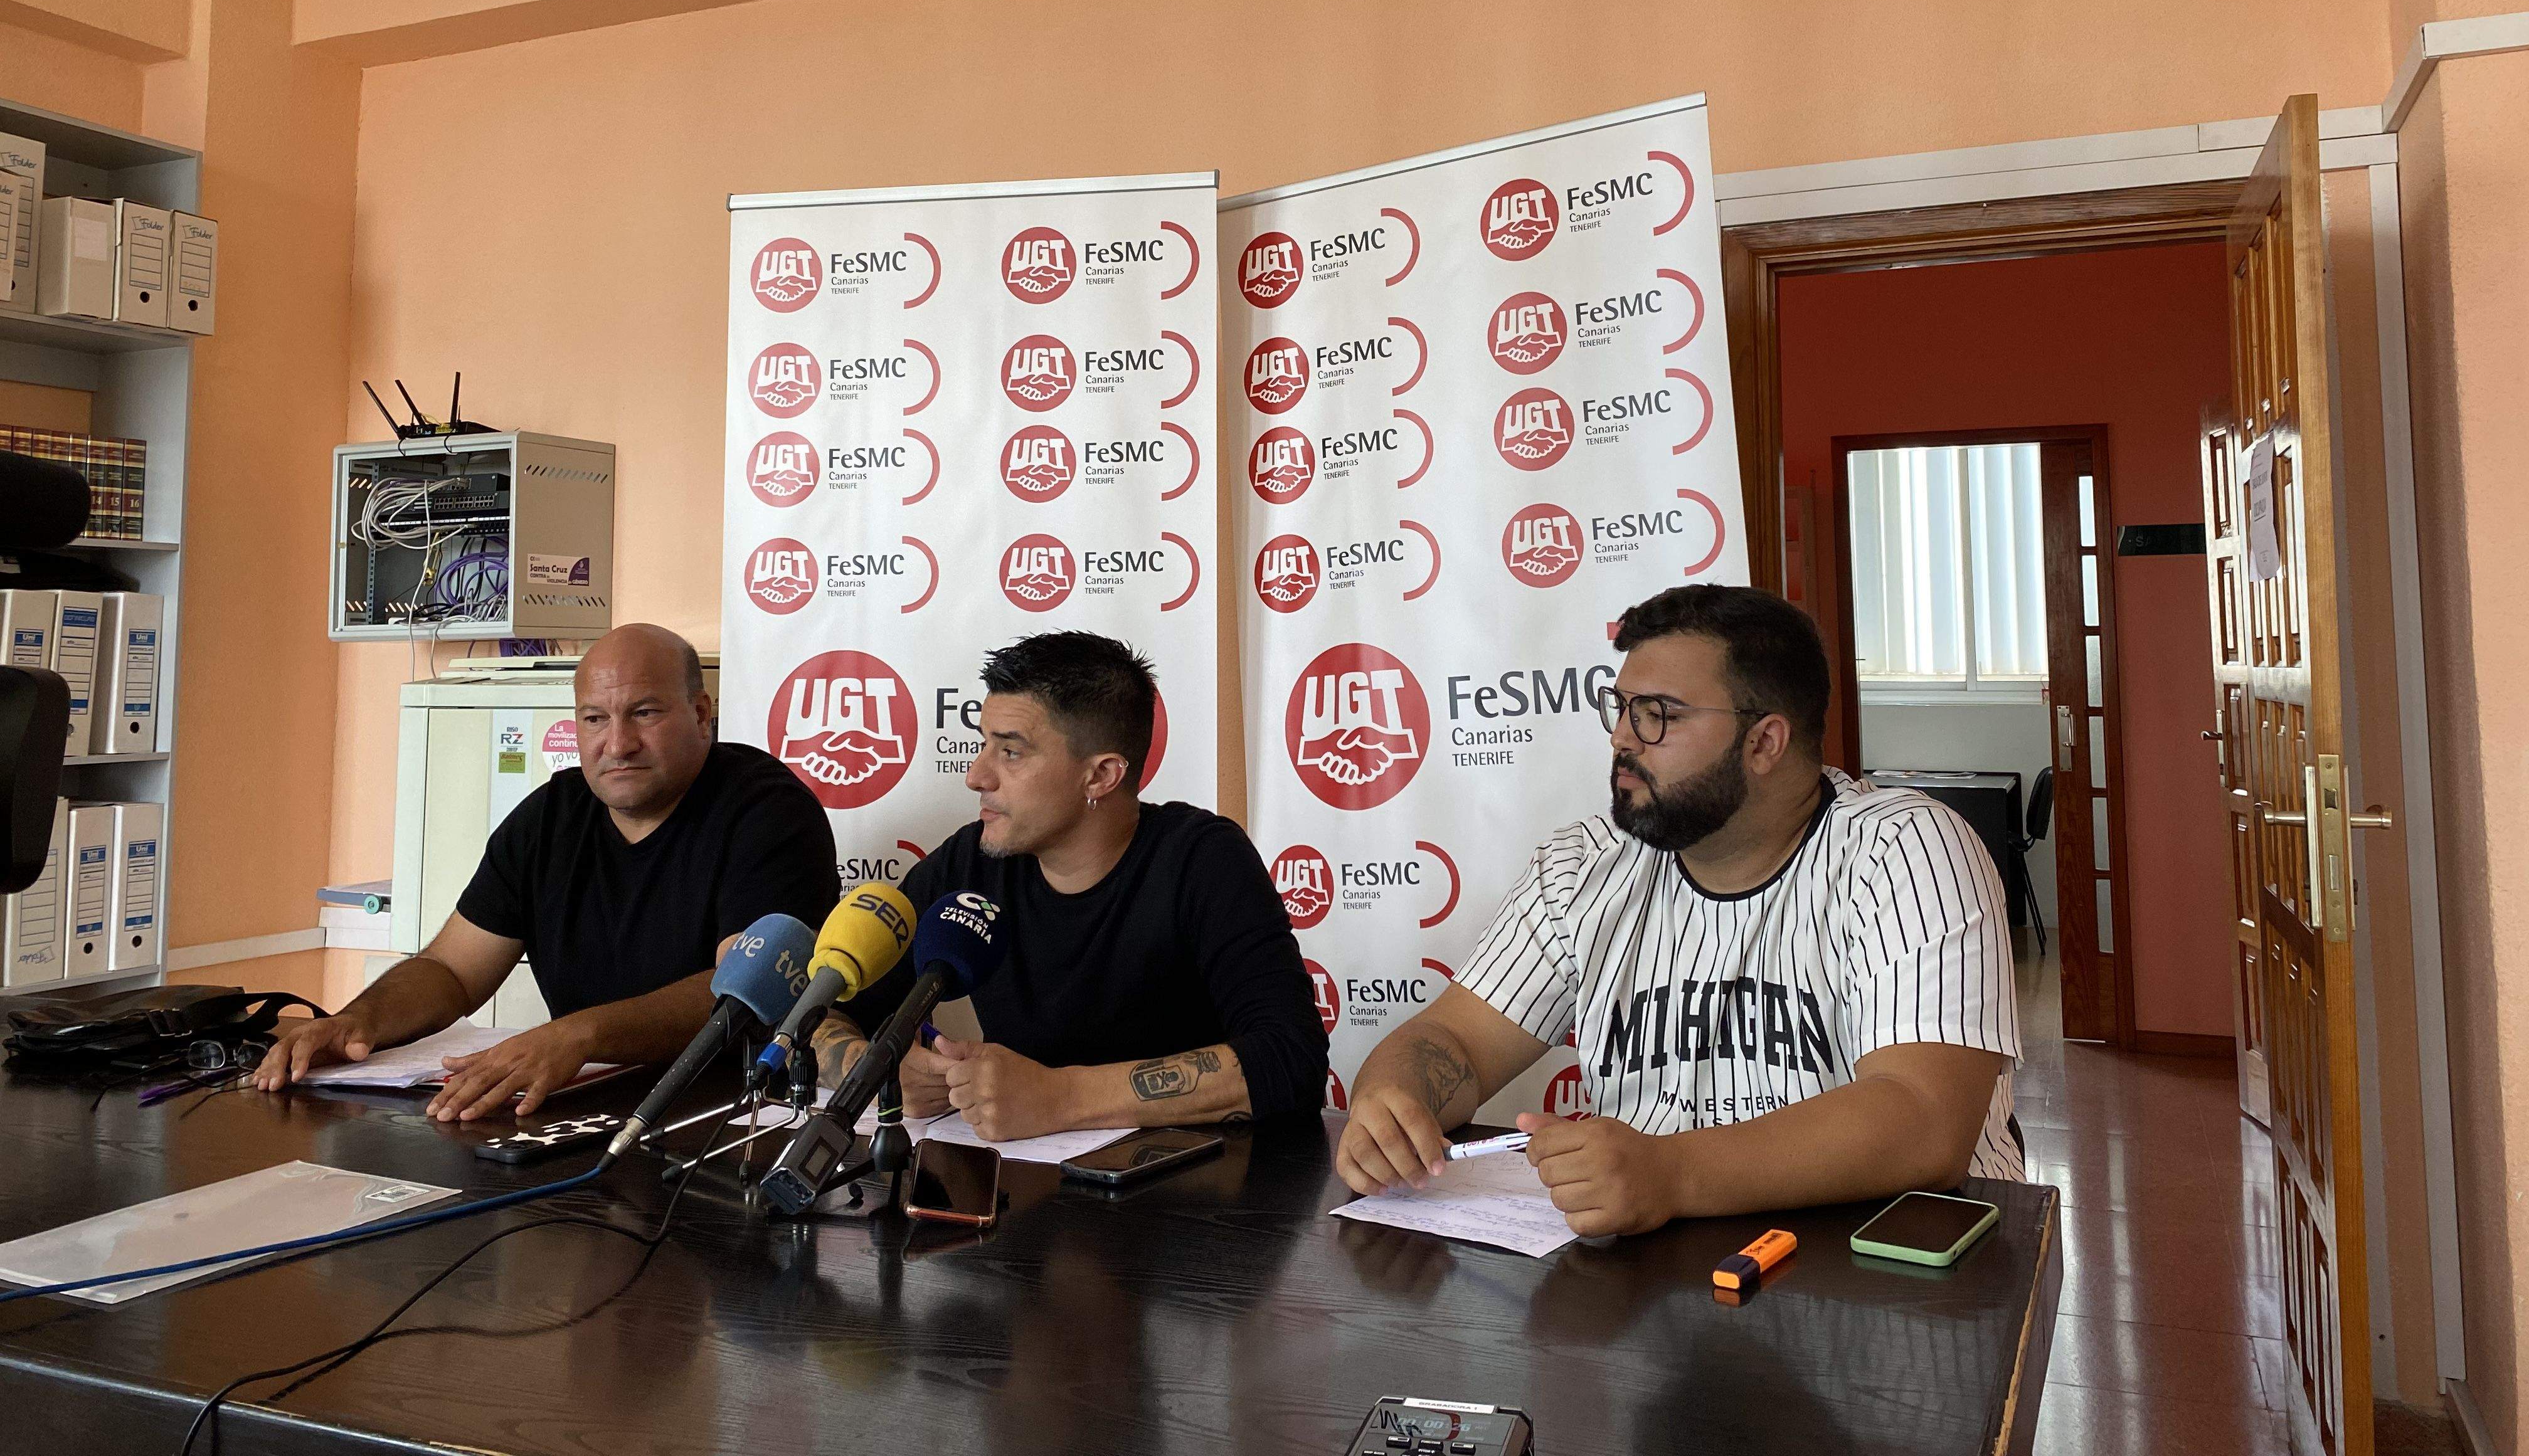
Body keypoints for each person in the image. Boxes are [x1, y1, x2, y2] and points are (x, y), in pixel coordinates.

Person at [1336, 584, 2020, 1238]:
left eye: (1658, 713)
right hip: (1655, 1276)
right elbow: (1454, 1040)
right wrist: (1393, 1100)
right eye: (1621, 707)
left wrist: (1671, 1173)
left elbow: (1925, 1118)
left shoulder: (1903, 848)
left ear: (1764, 743)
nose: (1622, 739)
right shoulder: (1582, 866)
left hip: (1899, 1271)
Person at [254, 623, 841, 1119]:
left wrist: (578, 1036)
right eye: (593, 719)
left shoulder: (768, 812)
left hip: (732, 1116)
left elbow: (741, 993)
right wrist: (356, 1024)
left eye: (644, 713)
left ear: (700, 714)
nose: (618, 743)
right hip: (580, 1113)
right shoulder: (550, 817)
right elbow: (452, 970)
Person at [824, 630, 1326, 1140]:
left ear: (1101, 776)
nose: (976, 775)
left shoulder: (1201, 859)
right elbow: (829, 1013)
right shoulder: (970, 862)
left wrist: (1061, 1097)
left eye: (1011, 753)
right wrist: (876, 1071)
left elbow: (1290, 1058)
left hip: (1193, 1202)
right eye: (982, 745)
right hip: (1021, 1196)